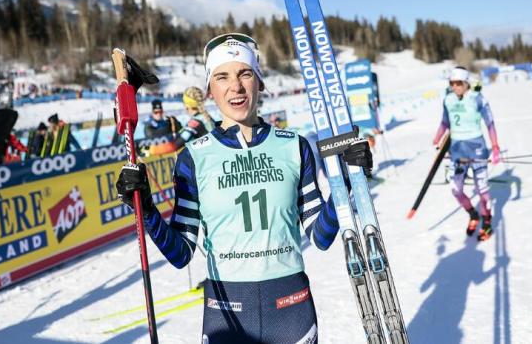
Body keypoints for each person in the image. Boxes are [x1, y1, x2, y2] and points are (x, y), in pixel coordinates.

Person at [116, 32, 373, 342]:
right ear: (210, 89)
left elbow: (320, 235)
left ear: (259, 81)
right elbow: (181, 252)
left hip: (290, 310)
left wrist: (347, 178)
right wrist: (144, 209)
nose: (235, 87)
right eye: (222, 77)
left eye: (245, 73)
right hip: (226, 315)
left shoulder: (295, 146)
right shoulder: (195, 157)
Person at [432, 66, 500, 241]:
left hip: (477, 149)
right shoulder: (448, 100)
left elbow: (490, 123)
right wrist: (437, 138)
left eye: (458, 83)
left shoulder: (478, 99)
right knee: (456, 190)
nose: (455, 86)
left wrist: (495, 147)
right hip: (457, 152)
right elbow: (445, 122)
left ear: (466, 82)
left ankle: (486, 222)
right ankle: (473, 214)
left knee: (482, 189)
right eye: (452, 83)